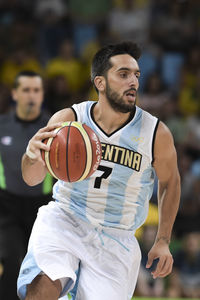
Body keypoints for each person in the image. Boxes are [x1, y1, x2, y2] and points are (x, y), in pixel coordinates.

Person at [17, 42, 181, 300]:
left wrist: (163, 239)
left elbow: (171, 183)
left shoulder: (155, 133)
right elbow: (32, 178)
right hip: (66, 218)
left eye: (136, 75)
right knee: (41, 290)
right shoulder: (67, 120)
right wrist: (31, 155)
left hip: (117, 235)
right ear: (100, 83)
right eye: (123, 74)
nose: (134, 82)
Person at [0, 71, 54, 300]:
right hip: (6, 207)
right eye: (26, 90)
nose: (31, 95)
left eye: (36, 90)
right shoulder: (2, 125)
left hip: (42, 208)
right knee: (11, 261)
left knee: (40, 270)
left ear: (42, 95)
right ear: (15, 94)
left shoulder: (55, 129)